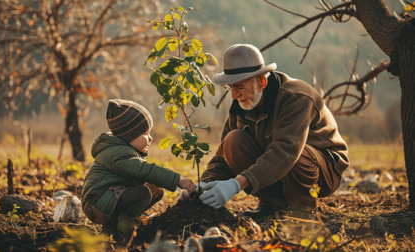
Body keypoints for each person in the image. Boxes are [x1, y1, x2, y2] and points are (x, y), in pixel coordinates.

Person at [198, 44, 349, 218]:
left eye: (239, 87)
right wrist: (201, 187)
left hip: (323, 170)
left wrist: (236, 184)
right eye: (230, 87)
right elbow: (222, 157)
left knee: (298, 154)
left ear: (261, 81)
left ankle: (302, 211)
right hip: (283, 167)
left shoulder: (296, 97)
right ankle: (272, 207)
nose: (233, 95)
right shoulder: (242, 104)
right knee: (233, 141)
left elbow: (285, 151)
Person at [81, 99, 195, 243]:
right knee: (143, 193)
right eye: (145, 133)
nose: (150, 138)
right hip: (96, 204)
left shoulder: (122, 149)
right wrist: (177, 180)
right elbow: (145, 170)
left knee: (155, 190)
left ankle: (116, 222)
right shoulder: (118, 154)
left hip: (108, 197)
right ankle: (123, 228)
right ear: (129, 135)